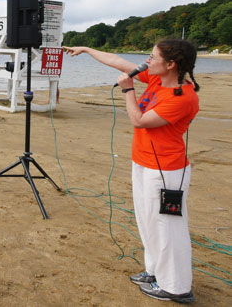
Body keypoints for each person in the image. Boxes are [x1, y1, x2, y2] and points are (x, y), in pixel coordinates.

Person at [64, 40, 199, 303]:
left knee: (167, 226)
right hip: (145, 163)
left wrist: (128, 90)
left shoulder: (182, 97)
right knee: (148, 221)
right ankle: (155, 271)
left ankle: (177, 287)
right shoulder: (158, 80)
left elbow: (139, 120)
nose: (147, 61)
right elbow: (117, 60)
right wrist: (88, 51)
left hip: (165, 170)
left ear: (171, 64)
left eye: (153, 57)